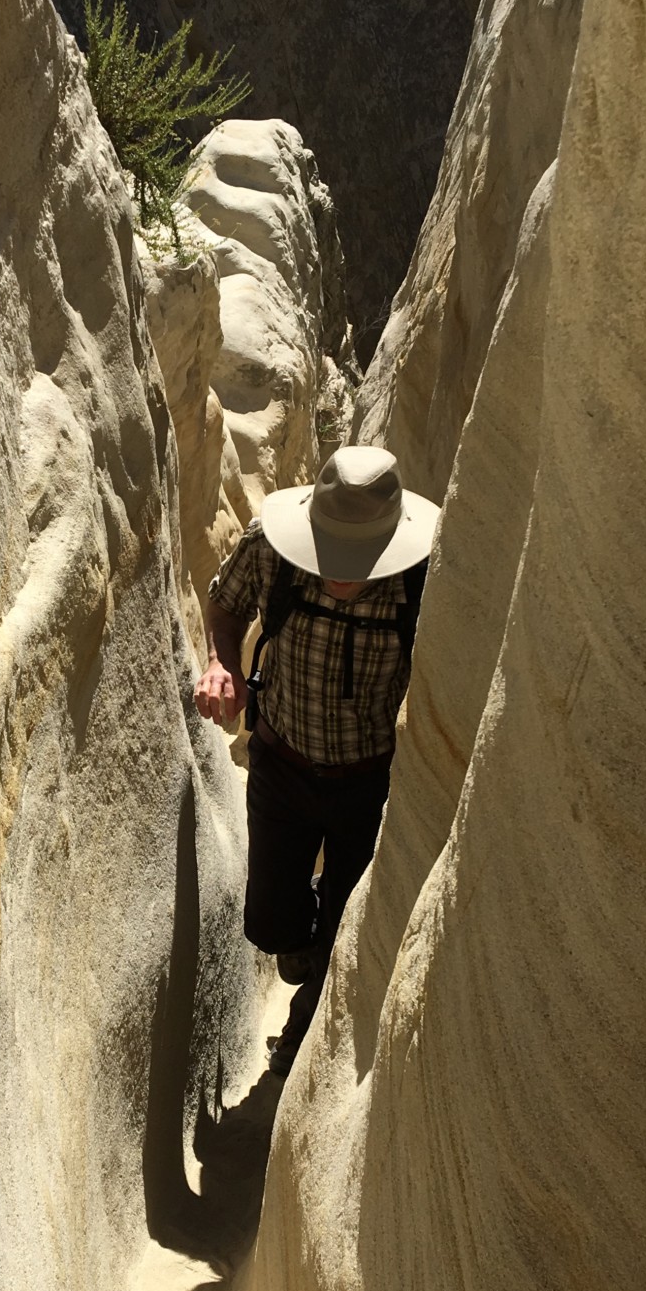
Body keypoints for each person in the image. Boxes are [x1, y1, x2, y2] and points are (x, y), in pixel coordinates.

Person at [197, 446, 438, 1077]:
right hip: (282, 766)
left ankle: (305, 1033)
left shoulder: (424, 577)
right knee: (271, 925)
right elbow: (225, 605)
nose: (338, 573)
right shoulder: (272, 548)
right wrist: (222, 664)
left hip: (371, 787)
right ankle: (302, 937)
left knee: (346, 933)